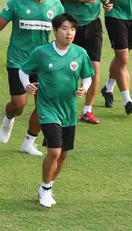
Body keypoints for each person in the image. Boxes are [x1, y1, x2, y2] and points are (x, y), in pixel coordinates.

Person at [0, 0, 64, 155]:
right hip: (19, 62)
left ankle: (28, 142)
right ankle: (9, 116)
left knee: (44, 106)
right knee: (18, 105)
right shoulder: (16, 2)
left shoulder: (56, 6)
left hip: (42, 63)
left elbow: (62, 34)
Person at [19, 13, 94, 208]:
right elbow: (23, 69)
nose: (69, 33)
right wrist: (27, 85)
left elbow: (88, 76)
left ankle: (48, 185)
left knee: (64, 154)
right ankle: (45, 189)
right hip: (47, 107)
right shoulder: (42, 52)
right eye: (64, 28)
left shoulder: (80, 53)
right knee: (54, 150)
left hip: (68, 110)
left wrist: (84, 87)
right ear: (55, 31)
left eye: (72, 29)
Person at [54, 0, 113, 125]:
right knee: (66, 67)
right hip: (72, 25)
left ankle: (88, 110)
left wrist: (107, 3)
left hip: (94, 23)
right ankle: (60, 105)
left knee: (94, 67)